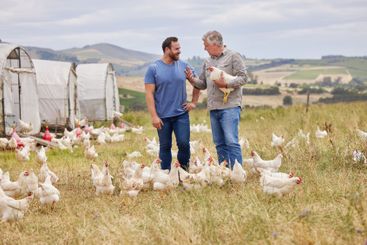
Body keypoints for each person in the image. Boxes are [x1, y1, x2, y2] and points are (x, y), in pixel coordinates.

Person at [185, 30, 248, 168]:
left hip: (230, 106)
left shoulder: (233, 56)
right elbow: (202, 84)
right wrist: (191, 79)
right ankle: (224, 173)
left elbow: (244, 78)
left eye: (205, 45)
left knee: (231, 141)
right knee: (219, 143)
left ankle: (237, 173)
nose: (204, 48)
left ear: (215, 44)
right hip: (214, 108)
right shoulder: (207, 61)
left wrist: (225, 84)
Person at [145, 36, 200, 170]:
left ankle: (183, 171)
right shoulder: (153, 69)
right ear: (166, 49)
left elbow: (198, 83)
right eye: (176, 49)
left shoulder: (184, 66)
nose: (179, 51)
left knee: (184, 144)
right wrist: (154, 116)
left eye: (179, 48)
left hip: (181, 114)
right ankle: (165, 174)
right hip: (162, 116)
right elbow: (149, 94)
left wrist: (193, 102)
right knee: (165, 146)